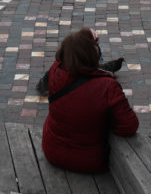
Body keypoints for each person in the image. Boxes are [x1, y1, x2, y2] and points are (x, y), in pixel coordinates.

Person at [42, 28, 138, 174]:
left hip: (52, 151)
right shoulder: (107, 87)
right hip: (87, 162)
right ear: (93, 55)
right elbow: (129, 127)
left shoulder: (55, 70)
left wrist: (83, 40)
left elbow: (69, 50)